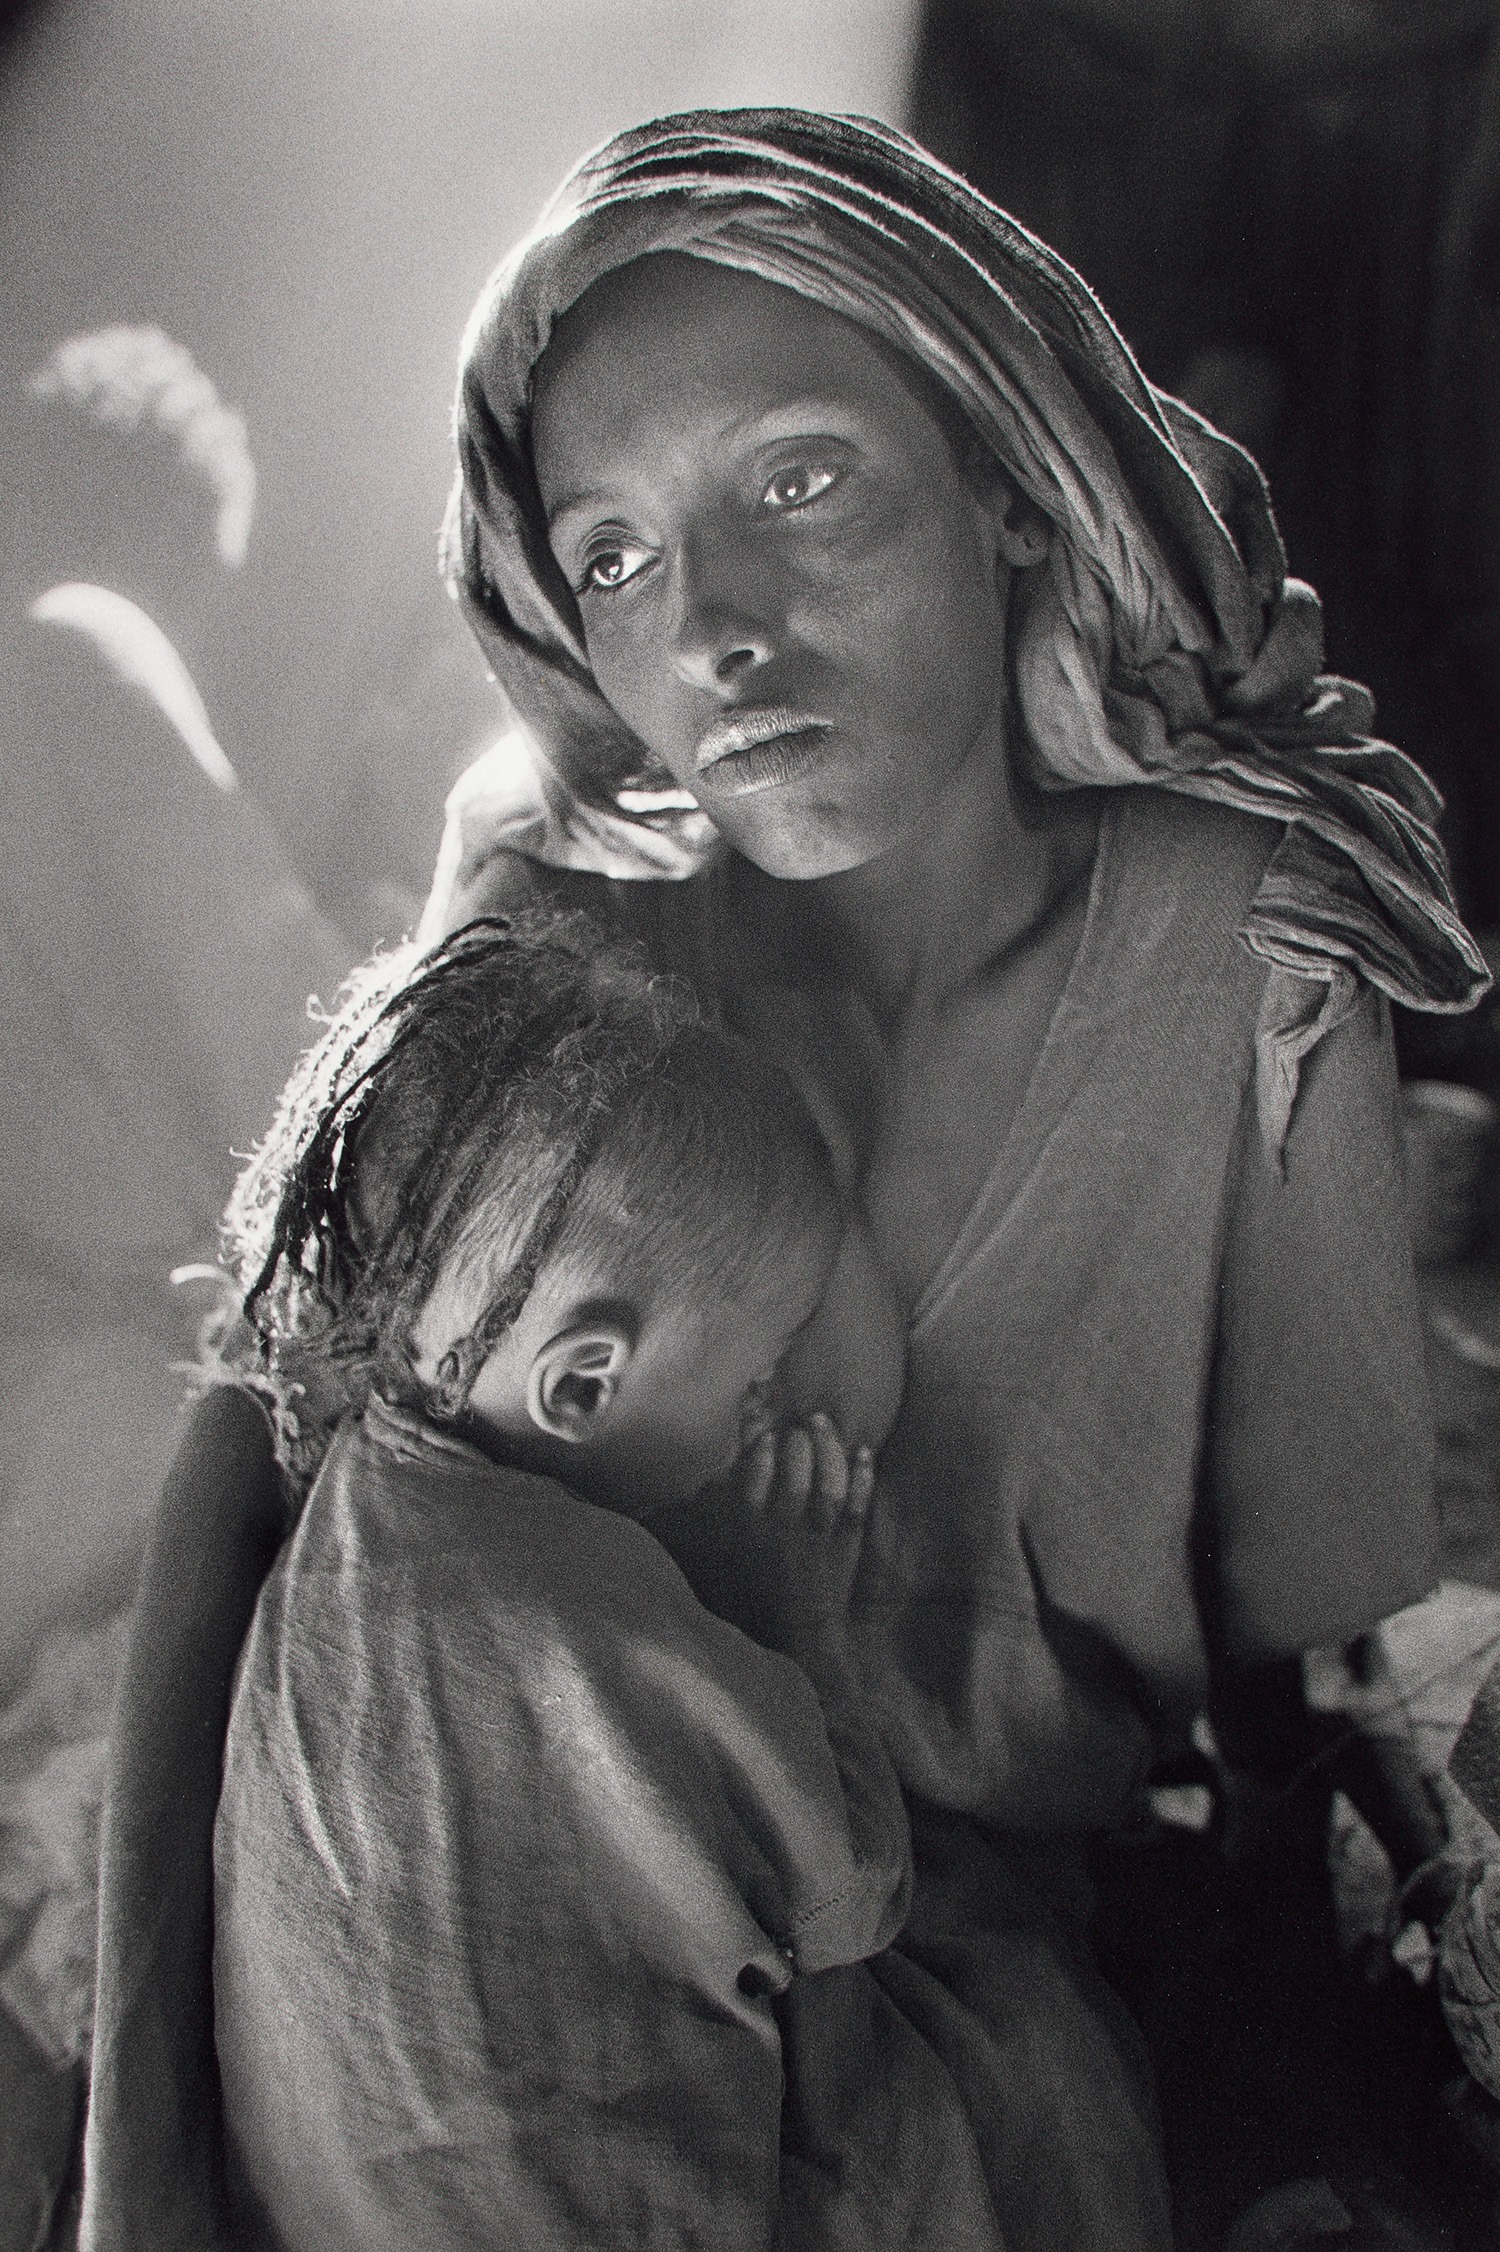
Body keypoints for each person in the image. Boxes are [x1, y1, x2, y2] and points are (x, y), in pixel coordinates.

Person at [83, 109, 1490, 2250]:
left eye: (801, 481)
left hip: (931, 1931)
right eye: (616, 556)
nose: (713, 625)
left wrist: (1320, 2018)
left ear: (1011, 494)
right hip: (551, 1875)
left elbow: (1295, 1624)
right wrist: (142, 2161)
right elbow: (265, 1429)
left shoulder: (1249, 946)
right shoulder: (572, 902)